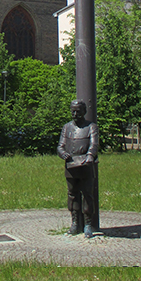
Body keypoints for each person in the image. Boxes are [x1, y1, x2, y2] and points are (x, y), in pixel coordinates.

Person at [57, 100, 98, 238]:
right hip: (71, 166)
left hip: (85, 166)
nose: (75, 114)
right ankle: (74, 222)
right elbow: (60, 146)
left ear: (84, 112)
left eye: (78, 111)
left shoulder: (91, 127)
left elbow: (94, 144)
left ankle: (87, 224)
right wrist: (63, 154)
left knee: (87, 195)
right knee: (72, 194)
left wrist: (90, 156)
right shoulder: (66, 127)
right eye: (73, 111)